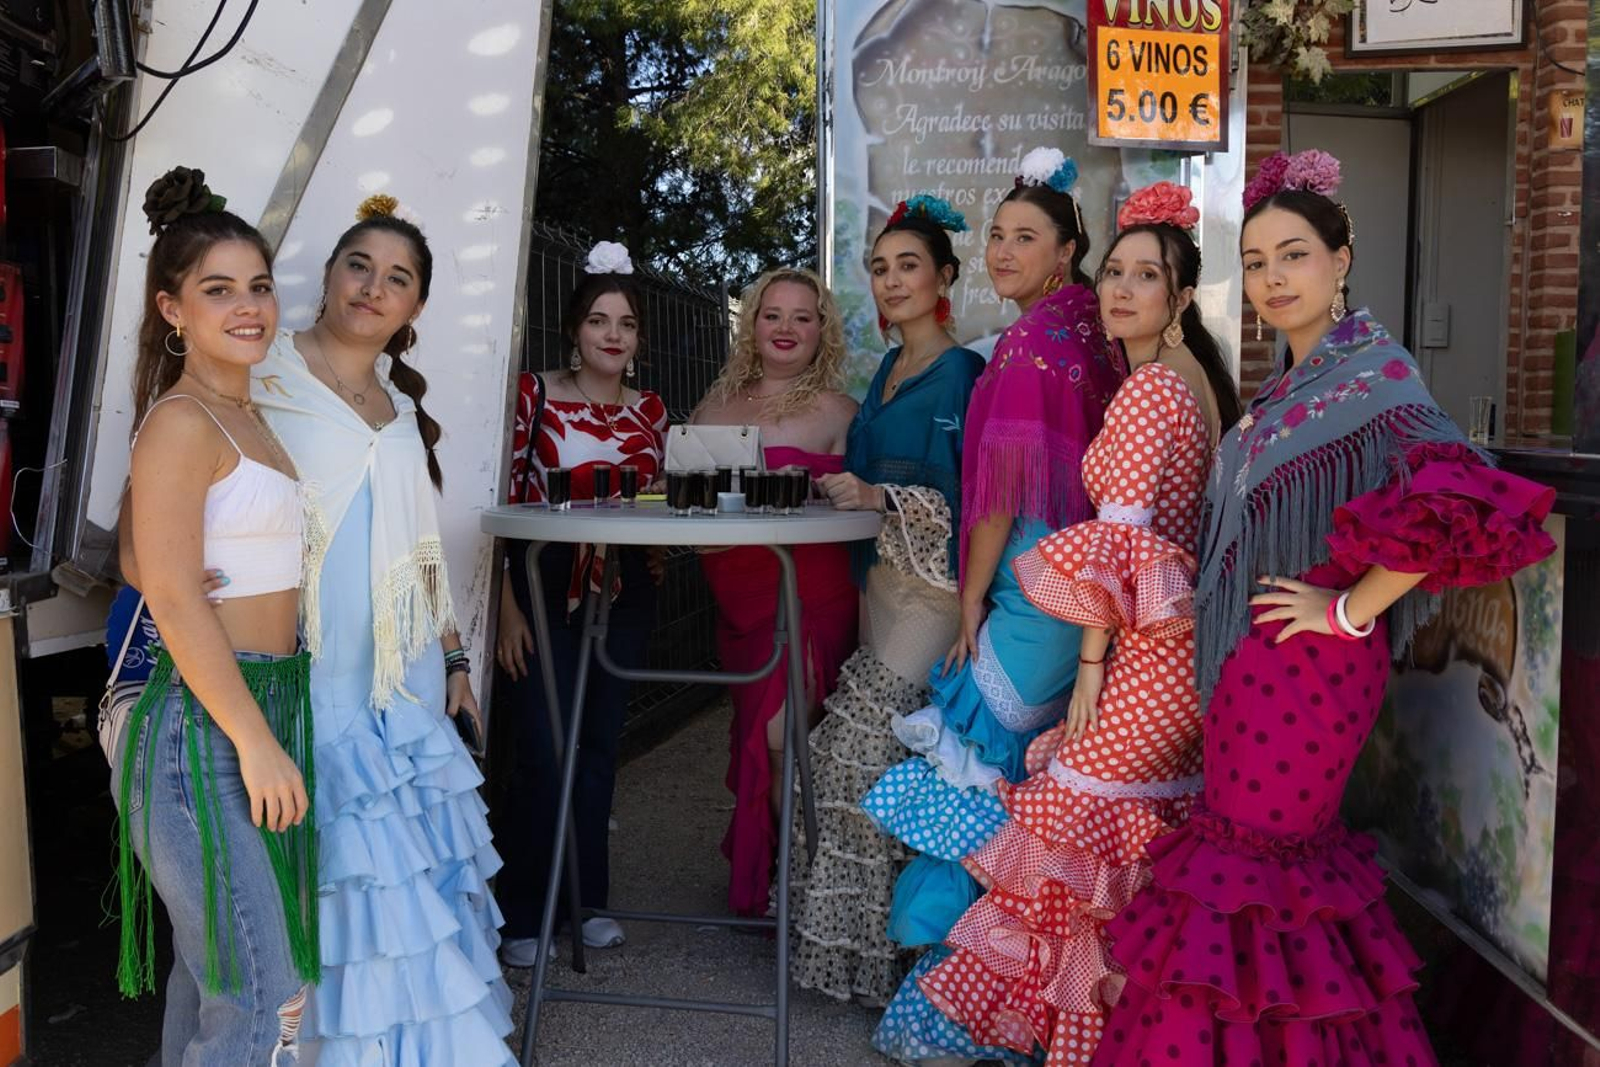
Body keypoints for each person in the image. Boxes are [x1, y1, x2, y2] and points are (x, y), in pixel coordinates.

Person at [1091, 152, 1556, 1066]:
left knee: (1257, 887)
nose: (1271, 277)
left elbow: (1459, 495)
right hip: (1251, 672)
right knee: (1254, 884)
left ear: (1342, 258)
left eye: (1292, 254)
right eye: (1256, 260)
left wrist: (1350, 610)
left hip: (1308, 675)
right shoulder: (1294, 382)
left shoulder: (1376, 373)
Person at [916, 182, 1241, 1065]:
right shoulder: (1195, 382)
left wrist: (1092, 663)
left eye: (1148, 277)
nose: (1122, 290)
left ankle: (1083, 1041)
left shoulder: (1145, 396)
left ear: (1179, 302)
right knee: (1124, 862)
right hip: (1183, 664)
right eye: (1117, 273)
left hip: (1139, 663)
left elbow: (1123, 544)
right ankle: (1125, 1037)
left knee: (1073, 857)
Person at [854, 150, 1127, 1034]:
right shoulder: (1086, 326)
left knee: (977, 784)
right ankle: (1017, 1002)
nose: (1006, 251)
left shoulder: (1027, 345)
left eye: (1026, 237)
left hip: (1031, 585)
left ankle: (957, 1013)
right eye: (999, 235)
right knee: (1022, 798)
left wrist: (971, 602)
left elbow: (999, 498)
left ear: (1067, 248)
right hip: (1078, 587)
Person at [252, 195, 514, 1065]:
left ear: (415, 308)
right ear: (326, 277)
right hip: (308, 671)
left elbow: (420, 542)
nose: (373, 286)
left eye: (397, 277)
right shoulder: (267, 373)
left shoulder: (401, 400)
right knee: (335, 873)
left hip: (396, 677)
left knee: (407, 882)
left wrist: (454, 657)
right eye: (359, 265)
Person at [110, 167, 318, 1065]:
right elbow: (174, 592)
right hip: (205, 725)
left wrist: (271, 728)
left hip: (263, 703)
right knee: (262, 991)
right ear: (172, 308)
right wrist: (255, 739)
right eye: (219, 289)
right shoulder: (183, 420)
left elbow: (139, 554)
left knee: (216, 983)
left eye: (260, 286)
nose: (249, 307)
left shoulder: (246, 416)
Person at [782, 195, 985, 1006]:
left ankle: (880, 956)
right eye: (879, 266)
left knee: (861, 757)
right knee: (845, 758)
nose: (892, 279)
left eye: (909, 264)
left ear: (943, 277)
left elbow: (976, 502)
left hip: (933, 598)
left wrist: (878, 493)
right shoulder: (886, 373)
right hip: (878, 590)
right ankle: (869, 951)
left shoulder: (963, 374)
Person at [494, 242, 667, 954]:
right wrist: (504, 603)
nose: (613, 335)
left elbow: (655, 500)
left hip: (622, 587)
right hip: (539, 580)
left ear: (639, 338)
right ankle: (525, 911)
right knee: (541, 744)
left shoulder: (654, 410)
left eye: (626, 323)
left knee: (597, 746)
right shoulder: (533, 394)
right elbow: (501, 497)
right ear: (575, 328)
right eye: (599, 320)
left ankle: (586, 900)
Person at [693, 267, 859, 916]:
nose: (786, 328)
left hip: (812, 589)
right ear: (752, 324)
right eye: (773, 314)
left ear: (823, 331)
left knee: (788, 735)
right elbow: (694, 519)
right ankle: (778, 877)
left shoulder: (843, 412)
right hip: (737, 595)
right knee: (761, 733)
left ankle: (803, 882)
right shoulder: (711, 407)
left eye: (803, 316)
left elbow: (861, 513)